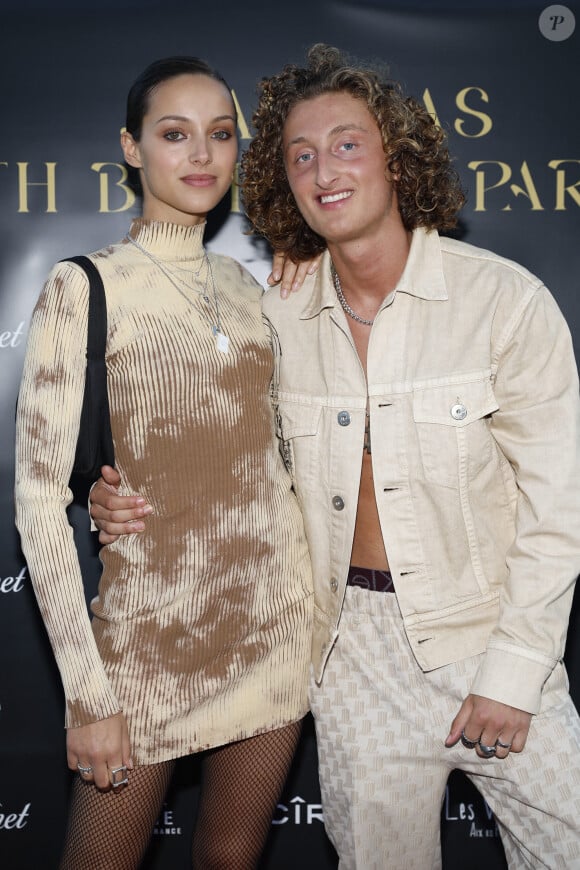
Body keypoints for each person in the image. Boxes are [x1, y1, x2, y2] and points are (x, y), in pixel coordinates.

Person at [92, 44, 580, 868]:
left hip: (486, 634)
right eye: (301, 155)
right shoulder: (269, 314)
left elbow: (557, 506)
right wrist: (118, 498)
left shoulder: (502, 302)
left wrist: (516, 669)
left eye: (348, 144)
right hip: (347, 658)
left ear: (396, 155)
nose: (326, 170)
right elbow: (210, 458)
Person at [14, 56, 315, 870]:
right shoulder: (84, 288)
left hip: (275, 626)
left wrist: (303, 271)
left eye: (220, 135)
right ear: (132, 147)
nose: (202, 155)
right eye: (174, 134)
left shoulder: (261, 290)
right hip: (149, 643)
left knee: (230, 860)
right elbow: (40, 504)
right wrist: (88, 694)